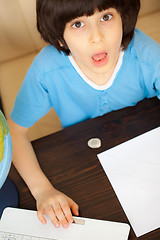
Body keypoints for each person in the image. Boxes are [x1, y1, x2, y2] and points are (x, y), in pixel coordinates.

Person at [8, 0, 160, 229]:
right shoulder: (46, 70)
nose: (96, 37)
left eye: (106, 18)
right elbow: (14, 132)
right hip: (85, 161)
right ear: (60, 36)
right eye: (78, 24)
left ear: (124, 18)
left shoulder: (147, 55)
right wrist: (42, 190)